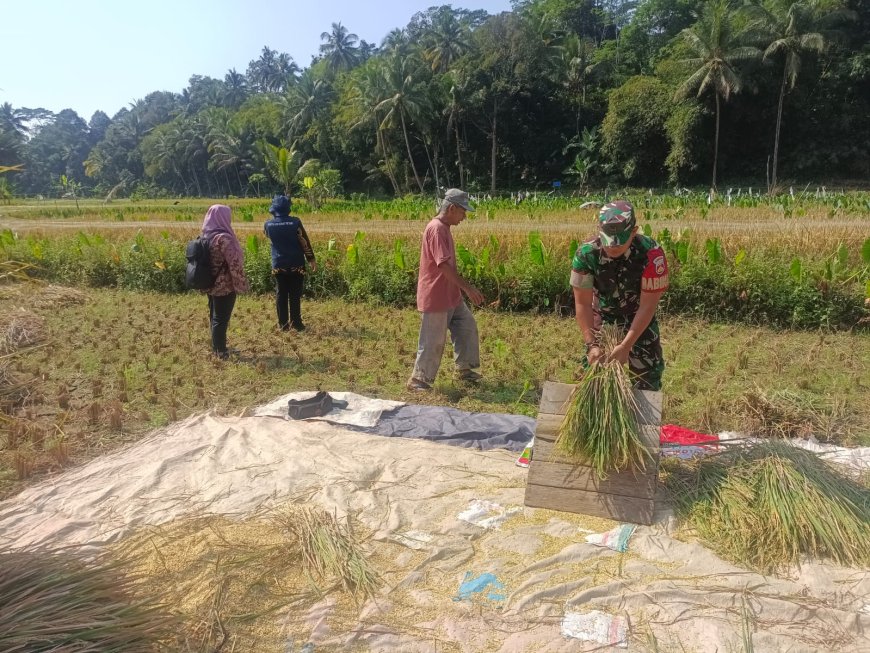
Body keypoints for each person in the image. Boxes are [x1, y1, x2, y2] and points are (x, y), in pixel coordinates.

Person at [570, 200, 669, 390]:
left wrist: (626, 346)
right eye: (608, 242)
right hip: (603, 316)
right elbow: (582, 304)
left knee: (647, 378)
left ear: (634, 231)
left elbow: (647, 306)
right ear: (599, 230)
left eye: (619, 243)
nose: (612, 247)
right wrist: (591, 345)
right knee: (594, 377)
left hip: (638, 317)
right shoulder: (586, 254)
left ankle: (644, 418)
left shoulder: (651, 254)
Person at [407, 188, 484, 391]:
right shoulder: (437, 229)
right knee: (433, 341)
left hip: (451, 295)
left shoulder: (444, 228)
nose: (464, 217)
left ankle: (465, 370)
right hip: (436, 295)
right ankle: (419, 381)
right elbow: (443, 265)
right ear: (451, 208)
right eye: (463, 212)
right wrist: (468, 288)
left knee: (466, 327)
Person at [201, 204, 249, 359]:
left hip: (209, 282)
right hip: (224, 285)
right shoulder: (224, 238)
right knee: (221, 318)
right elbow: (235, 264)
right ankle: (220, 351)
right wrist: (241, 284)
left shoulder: (205, 236)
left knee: (214, 315)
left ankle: (216, 346)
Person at [263, 195, 317, 331]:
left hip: (278, 264)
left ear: (274, 209)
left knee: (281, 294)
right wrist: (311, 259)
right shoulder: (295, 222)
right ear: (288, 208)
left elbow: (267, 236)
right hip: (296, 264)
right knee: (295, 294)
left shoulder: (268, 224)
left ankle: (283, 325)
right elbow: (304, 241)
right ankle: (297, 323)